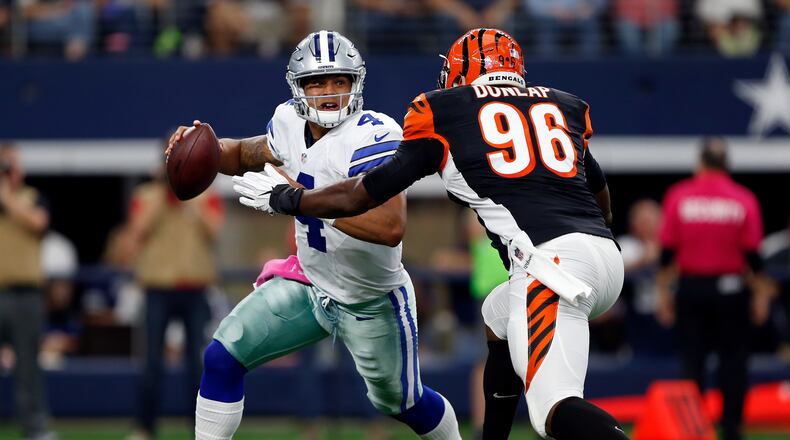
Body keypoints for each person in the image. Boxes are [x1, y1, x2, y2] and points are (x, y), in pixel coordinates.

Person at [235, 28, 627, 440]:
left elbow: (361, 195)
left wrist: (288, 200)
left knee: (552, 410)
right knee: (497, 316)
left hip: (552, 267)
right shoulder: (560, 105)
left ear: (458, 74)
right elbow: (602, 201)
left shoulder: (444, 111)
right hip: (603, 254)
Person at [167, 30, 461, 440]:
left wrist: (294, 200)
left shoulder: (373, 134)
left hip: (370, 299)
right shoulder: (288, 121)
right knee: (221, 356)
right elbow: (244, 154)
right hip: (309, 284)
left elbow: (389, 227)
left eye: (338, 81)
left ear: (355, 83)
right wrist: (202, 145)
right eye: (316, 82)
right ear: (298, 87)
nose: (328, 92)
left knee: (402, 402)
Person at [655, 137, 774, 440]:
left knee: (691, 363)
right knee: (733, 365)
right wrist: (761, 297)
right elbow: (754, 258)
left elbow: (667, 254)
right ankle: (732, 431)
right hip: (732, 293)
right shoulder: (742, 198)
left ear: (701, 163)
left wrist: (662, 295)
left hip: (692, 289)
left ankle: (691, 429)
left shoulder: (680, 196)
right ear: (727, 165)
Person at [127, 165, 224, 440]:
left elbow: (215, 230)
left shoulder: (205, 193)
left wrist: (189, 194)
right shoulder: (146, 195)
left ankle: (200, 429)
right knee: (151, 363)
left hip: (196, 287)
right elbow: (138, 230)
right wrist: (163, 193)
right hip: (157, 287)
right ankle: (145, 428)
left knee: (198, 363)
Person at [0, 144, 57, 440]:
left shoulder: (31, 198)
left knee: (27, 367)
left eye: (12, 166)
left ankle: (34, 428)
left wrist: (6, 197)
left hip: (26, 294)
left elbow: (39, 223)